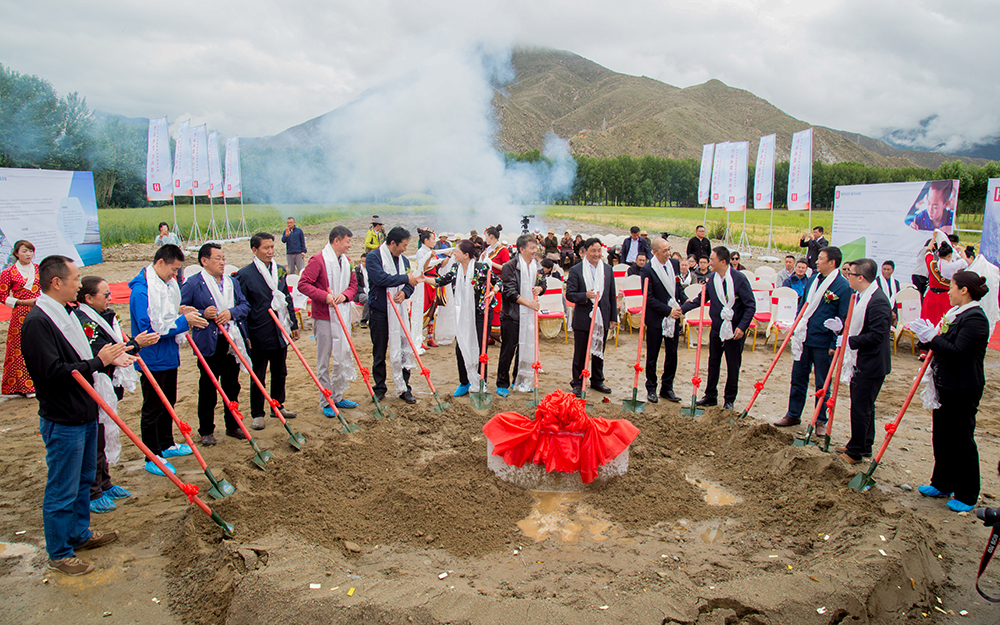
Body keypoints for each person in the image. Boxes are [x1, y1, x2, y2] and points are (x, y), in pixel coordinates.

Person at [23, 255, 133, 576]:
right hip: (63, 418)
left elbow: (80, 358)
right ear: (56, 282)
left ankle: (79, 533)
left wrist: (104, 359)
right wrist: (98, 362)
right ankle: (59, 552)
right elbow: (52, 373)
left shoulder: (67, 313)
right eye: (75, 279)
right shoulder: (39, 322)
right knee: (63, 488)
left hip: (85, 411)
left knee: (84, 480)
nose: (79, 285)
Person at [75, 276, 157, 513]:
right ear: (89, 298)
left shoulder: (106, 316)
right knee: (96, 437)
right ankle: (93, 491)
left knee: (104, 433)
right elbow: (103, 351)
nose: (110, 298)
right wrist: (135, 344)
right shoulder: (84, 321)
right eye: (105, 294)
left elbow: (116, 344)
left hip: (109, 383)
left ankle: (105, 482)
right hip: (94, 383)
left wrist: (132, 344)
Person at [912, 271, 991, 512]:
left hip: (963, 386)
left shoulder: (975, 318)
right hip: (945, 383)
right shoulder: (954, 313)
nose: (948, 292)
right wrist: (927, 336)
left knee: (961, 439)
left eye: (952, 287)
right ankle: (942, 482)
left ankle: (967, 493)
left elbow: (958, 351)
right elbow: (939, 343)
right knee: (942, 435)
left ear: (964, 290)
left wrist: (933, 337)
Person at [129, 245, 206, 475]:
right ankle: (152, 455)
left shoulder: (167, 285)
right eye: (173, 269)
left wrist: (179, 311)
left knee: (168, 401)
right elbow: (149, 328)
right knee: (153, 406)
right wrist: (184, 321)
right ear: (160, 262)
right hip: (152, 357)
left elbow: (166, 314)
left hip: (169, 354)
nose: (175, 275)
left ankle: (167, 443)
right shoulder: (141, 291)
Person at [773, 247, 851, 432]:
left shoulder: (842, 286)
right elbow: (803, 305)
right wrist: (797, 326)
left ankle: (820, 420)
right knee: (798, 378)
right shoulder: (813, 279)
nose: (816, 261)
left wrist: (833, 344)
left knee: (822, 383)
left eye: (821, 259)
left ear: (832, 263)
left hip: (824, 342)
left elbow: (843, 318)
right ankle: (793, 414)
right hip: (804, 337)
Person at [181, 243, 251, 444]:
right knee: (208, 388)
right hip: (208, 342)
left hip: (231, 341)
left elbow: (245, 305)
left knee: (232, 386)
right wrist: (202, 313)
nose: (222, 262)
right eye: (217, 258)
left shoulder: (231, 282)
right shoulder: (194, 283)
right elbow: (181, 308)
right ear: (204, 261)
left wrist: (231, 312)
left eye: (223, 259)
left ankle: (232, 425)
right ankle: (206, 430)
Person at [236, 233, 300, 431]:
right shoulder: (245, 274)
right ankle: (257, 413)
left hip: (280, 329)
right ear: (254, 250)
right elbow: (242, 307)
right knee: (258, 374)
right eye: (266, 248)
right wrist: (246, 334)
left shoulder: (279, 270)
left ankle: (278, 405)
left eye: (272, 247)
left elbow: (287, 297)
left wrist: (293, 324)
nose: (270, 251)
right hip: (258, 330)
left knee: (280, 371)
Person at [681, 246, 755, 410]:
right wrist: (682, 309)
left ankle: (729, 399)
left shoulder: (739, 279)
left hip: (734, 330)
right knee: (713, 362)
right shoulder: (712, 279)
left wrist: (742, 327)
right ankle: (710, 395)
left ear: (723, 262)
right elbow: (701, 299)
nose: (710, 263)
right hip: (717, 328)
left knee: (733, 365)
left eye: (713, 260)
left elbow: (750, 306)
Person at [298, 226, 361, 413]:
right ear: (336, 241)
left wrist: (346, 295)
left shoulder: (346, 261)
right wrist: (324, 296)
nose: (350, 245)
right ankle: (326, 400)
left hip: (342, 314)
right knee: (324, 359)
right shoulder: (318, 260)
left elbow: (353, 285)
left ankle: (338, 395)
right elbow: (303, 284)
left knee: (342, 354)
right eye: (348, 241)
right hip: (324, 316)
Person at [835, 258, 892, 464]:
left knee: (861, 407)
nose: (847, 276)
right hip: (862, 360)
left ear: (860, 277)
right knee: (864, 405)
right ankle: (863, 443)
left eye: (850, 273)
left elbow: (877, 335)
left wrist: (849, 341)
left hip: (871, 363)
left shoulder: (877, 301)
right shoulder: (861, 296)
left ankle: (855, 452)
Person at [427, 240, 492, 396]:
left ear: (466, 255)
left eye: (457, 251)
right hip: (463, 314)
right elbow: (441, 281)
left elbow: (499, 282)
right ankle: (464, 382)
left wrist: (493, 291)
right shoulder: (456, 268)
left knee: (480, 348)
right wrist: (423, 279)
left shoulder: (481, 268)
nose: (454, 253)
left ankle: (481, 381)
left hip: (479, 314)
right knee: (460, 347)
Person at [367, 226, 421, 403]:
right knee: (379, 352)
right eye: (403, 245)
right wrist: (406, 279)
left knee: (404, 349)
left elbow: (411, 284)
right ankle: (379, 387)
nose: (405, 249)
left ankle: (404, 387)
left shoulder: (404, 261)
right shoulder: (374, 257)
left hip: (399, 311)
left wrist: (405, 292)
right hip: (379, 311)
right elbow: (380, 278)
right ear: (392, 243)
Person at [566, 237, 619, 397]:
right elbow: (570, 294)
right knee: (580, 353)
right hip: (583, 317)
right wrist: (585, 295)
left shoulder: (607, 269)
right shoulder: (576, 270)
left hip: (602, 316)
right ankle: (577, 382)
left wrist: (613, 317)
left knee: (599, 350)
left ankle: (597, 380)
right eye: (593, 250)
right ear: (585, 251)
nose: (596, 254)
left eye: (599, 251)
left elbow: (611, 295)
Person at [496, 234, 545, 396]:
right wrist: (529, 304)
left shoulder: (537, 265)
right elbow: (510, 292)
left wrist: (540, 288)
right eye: (532, 248)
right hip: (512, 316)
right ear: (522, 249)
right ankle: (502, 383)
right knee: (508, 351)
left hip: (530, 316)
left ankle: (519, 380)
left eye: (535, 247)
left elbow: (542, 283)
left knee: (525, 349)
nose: (535, 251)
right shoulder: (510, 266)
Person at [641, 237, 687, 403]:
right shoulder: (647, 270)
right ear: (655, 252)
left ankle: (667, 387)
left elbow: (678, 288)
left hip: (673, 317)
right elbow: (649, 298)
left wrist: (685, 300)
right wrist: (668, 311)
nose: (668, 253)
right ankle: (651, 387)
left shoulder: (674, 264)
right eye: (664, 250)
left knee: (672, 354)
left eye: (669, 249)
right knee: (653, 355)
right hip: (656, 317)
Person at [0, 240, 40, 396]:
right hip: (21, 313)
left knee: (41, 343)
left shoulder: (38, 269)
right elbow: (2, 296)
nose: (28, 254)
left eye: (30, 251)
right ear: (16, 253)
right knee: (19, 347)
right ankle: (25, 385)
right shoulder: (8, 272)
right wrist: (22, 302)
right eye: (24, 251)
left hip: (39, 309)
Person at [355, 252, 369, 328]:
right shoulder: (357, 270)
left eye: (365, 261)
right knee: (367, 299)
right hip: (359, 293)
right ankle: (364, 320)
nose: (363, 263)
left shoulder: (372, 269)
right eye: (362, 261)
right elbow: (355, 285)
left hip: (370, 291)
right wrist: (364, 290)